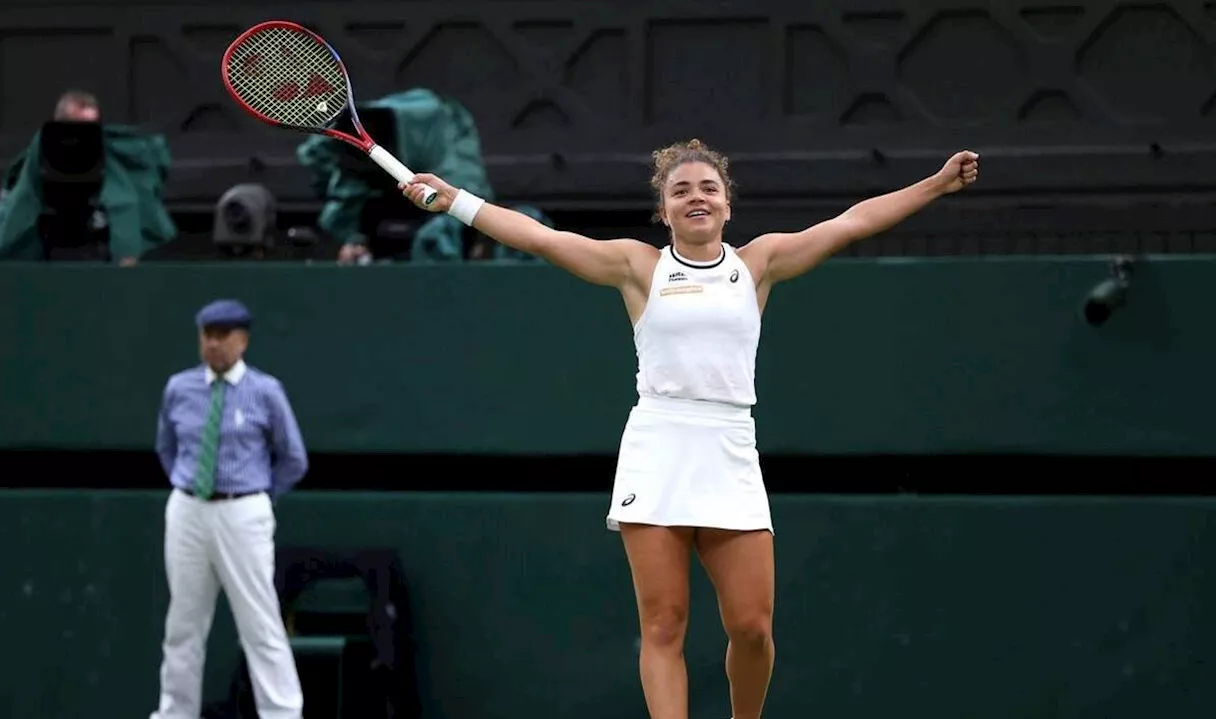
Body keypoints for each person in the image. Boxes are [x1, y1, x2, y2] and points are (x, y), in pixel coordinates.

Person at [397, 139, 979, 719]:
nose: (695, 198)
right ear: (665, 210)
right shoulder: (636, 266)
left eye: (708, 189)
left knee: (752, 629)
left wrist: (936, 184)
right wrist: (456, 202)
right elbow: (543, 239)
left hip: (730, 449)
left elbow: (853, 222)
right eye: (681, 191)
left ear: (727, 205)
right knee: (663, 624)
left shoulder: (760, 263)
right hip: (659, 448)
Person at [151, 298, 309, 719]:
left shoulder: (265, 391)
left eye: (222, 336)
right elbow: (166, 447)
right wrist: (186, 487)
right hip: (187, 509)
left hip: (243, 512)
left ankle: (281, 713)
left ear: (243, 341)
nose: (213, 344)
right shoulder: (179, 388)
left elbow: (293, 457)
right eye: (207, 335)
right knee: (182, 622)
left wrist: (258, 498)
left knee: (260, 621)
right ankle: (174, 713)